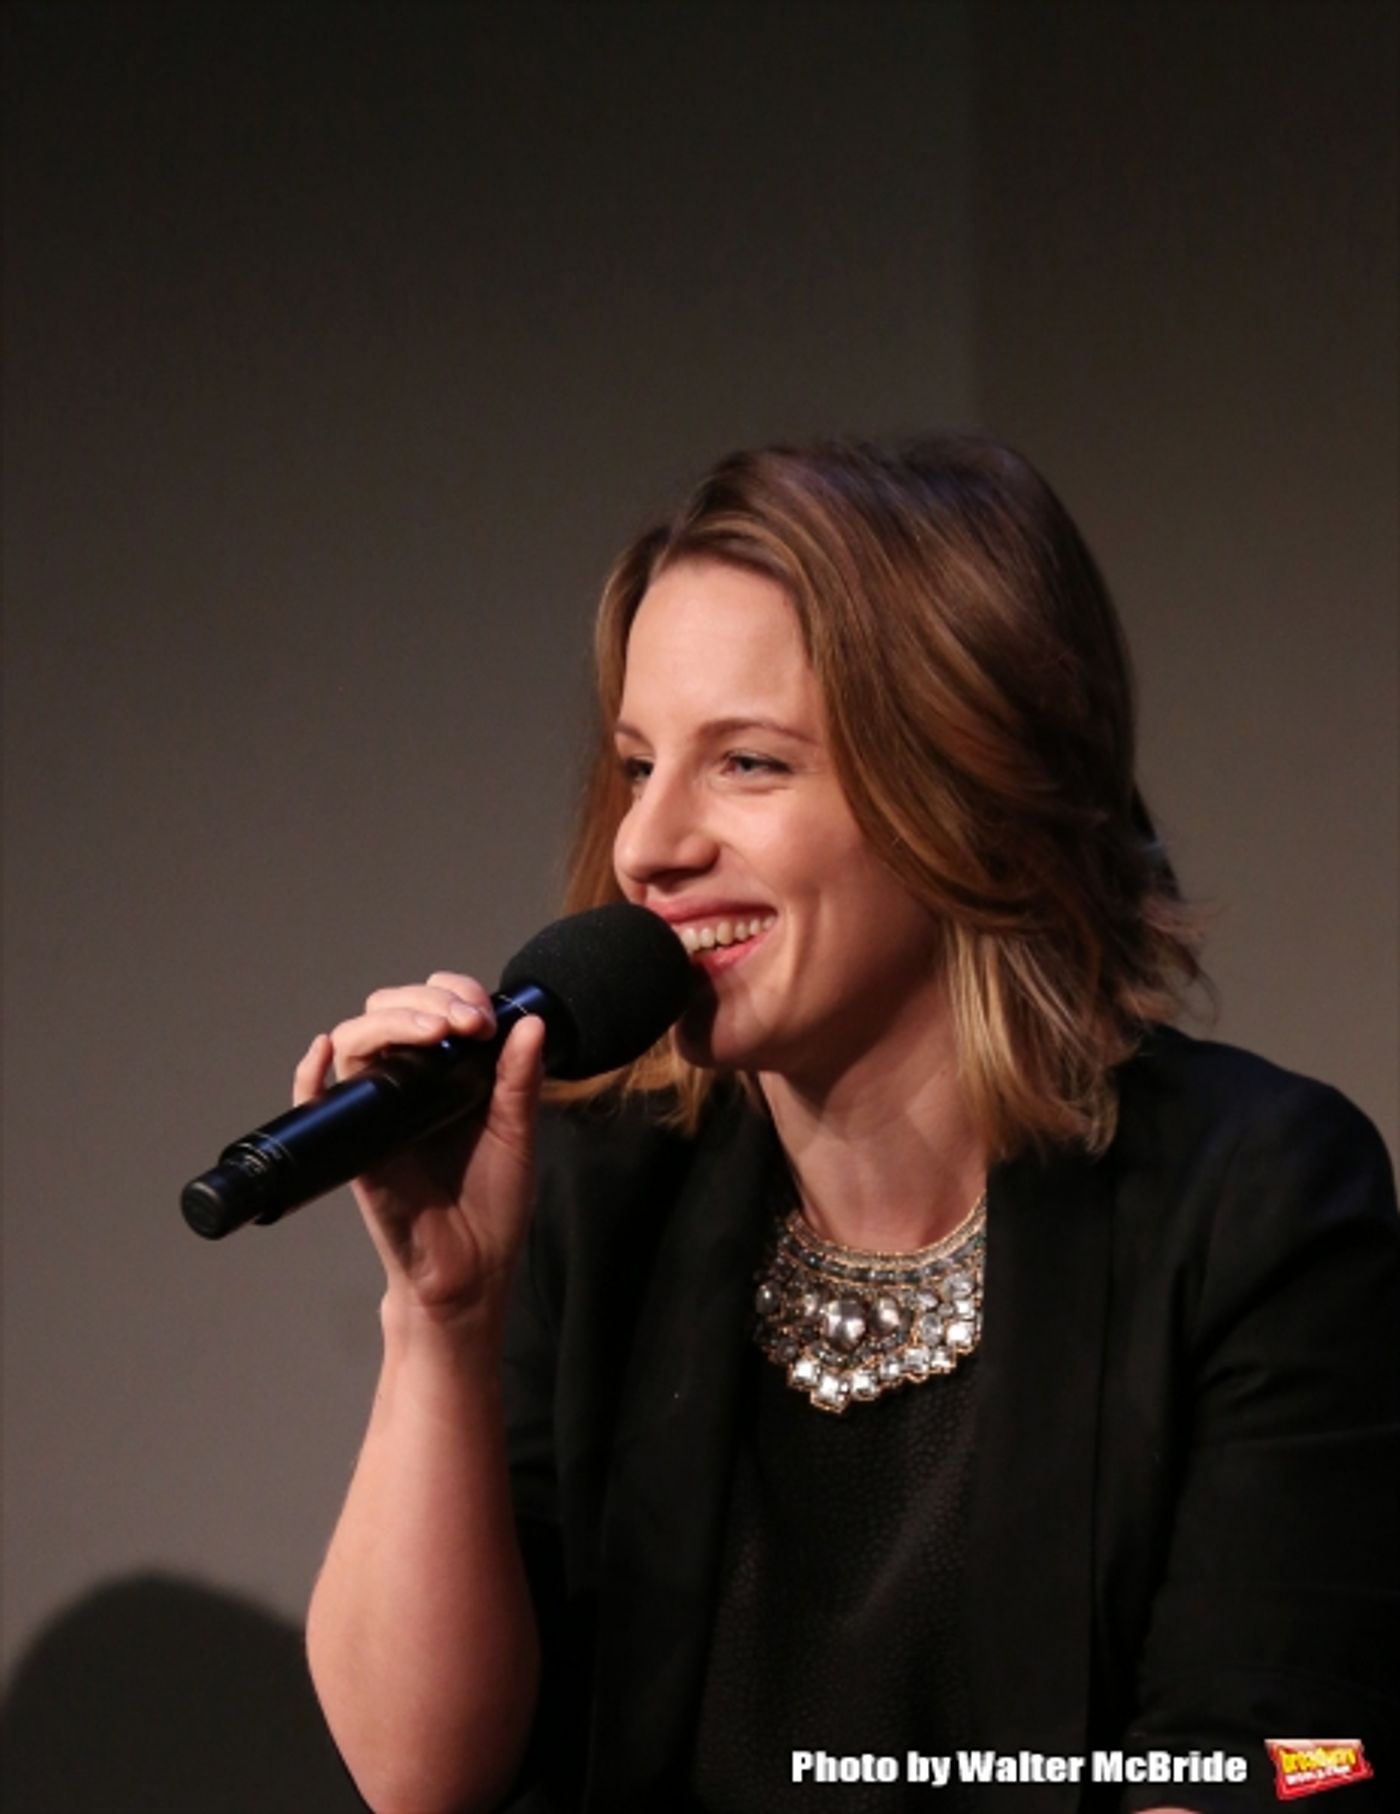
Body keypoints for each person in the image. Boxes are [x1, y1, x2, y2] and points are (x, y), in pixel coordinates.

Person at [298, 437, 1400, 1814]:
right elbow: (420, 1776)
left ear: (968, 789)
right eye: (639, 765)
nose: (649, 845)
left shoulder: (1255, 1198)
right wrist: (440, 1317)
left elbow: (1291, 1759)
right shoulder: (602, 1187)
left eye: (748, 763)